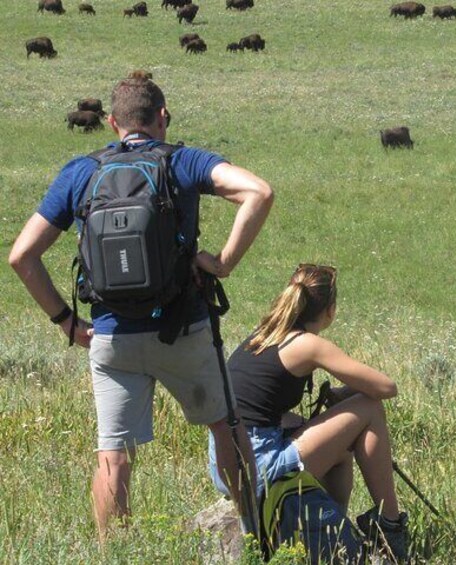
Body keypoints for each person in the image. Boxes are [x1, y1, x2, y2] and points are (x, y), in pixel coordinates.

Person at [8, 76, 274, 542]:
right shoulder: (183, 162)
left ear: (112, 123)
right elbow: (258, 192)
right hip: (184, 331)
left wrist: (67, 323)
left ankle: (113, 552)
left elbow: (21, 256)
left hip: (111, 339)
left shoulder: (80, 172)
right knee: (226, 430)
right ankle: (254, 536)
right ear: (163, 116)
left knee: (114, 455)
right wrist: (222, 263)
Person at [208, 264, 410, 562]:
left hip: (225, 460)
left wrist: (335, 400)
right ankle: (390, 528)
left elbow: (253, 407)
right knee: (369, 409)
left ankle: (331, 528)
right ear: (330, 310)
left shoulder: (267, 333)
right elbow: (385, 387)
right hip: (258, 465)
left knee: (341, 453)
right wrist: (346, 395)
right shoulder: (307, 345)